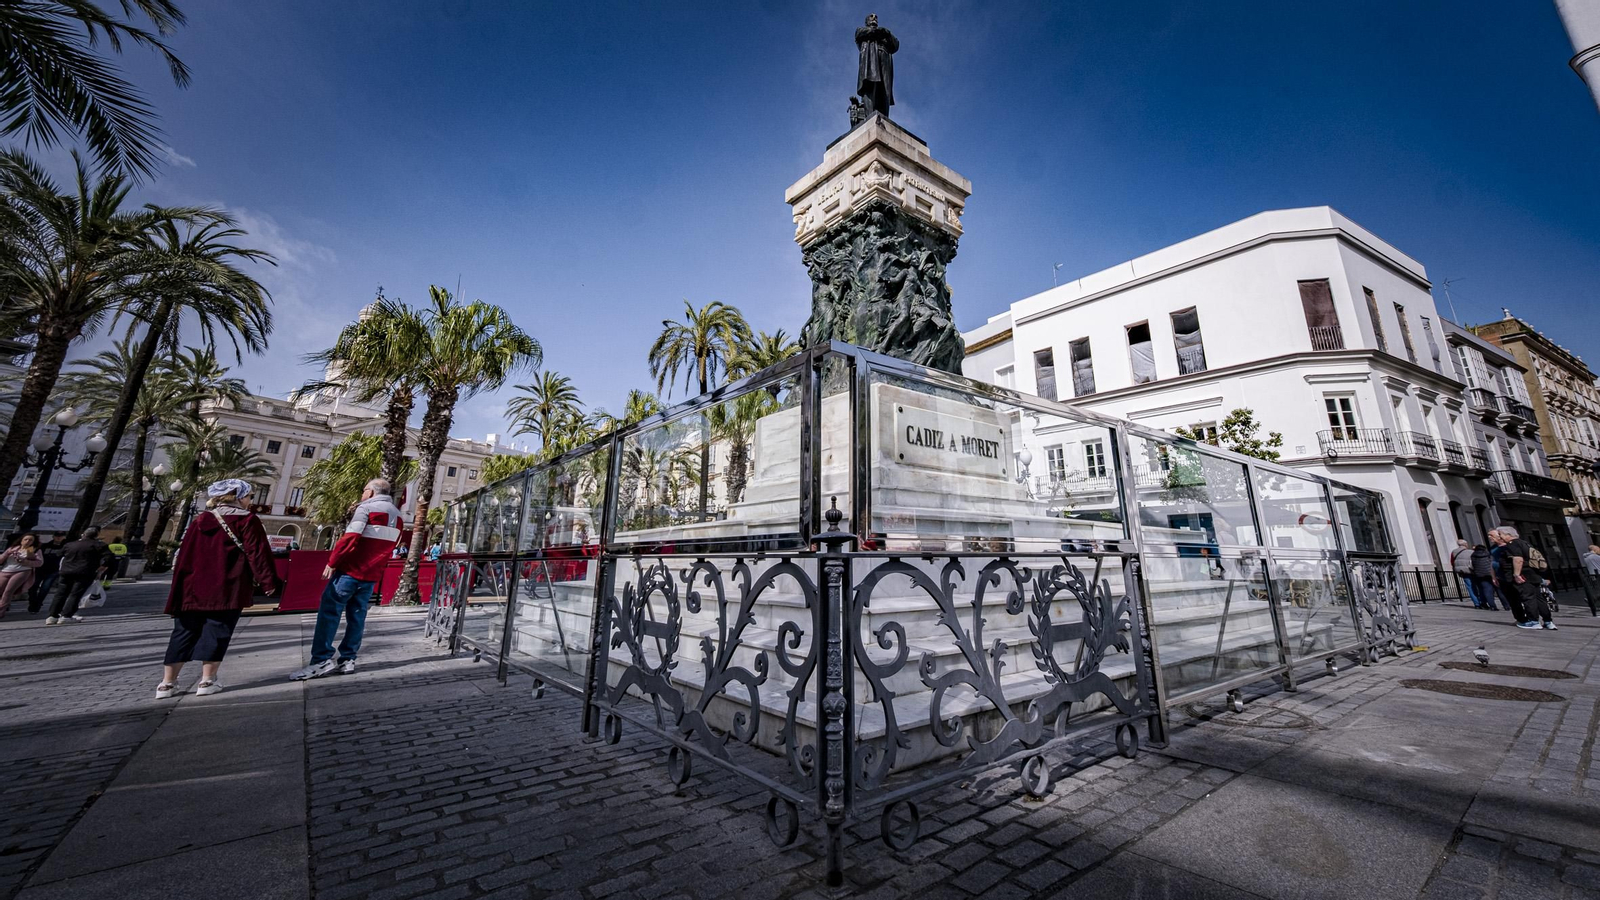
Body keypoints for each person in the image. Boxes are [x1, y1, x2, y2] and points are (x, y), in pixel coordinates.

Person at [158, 480, 282, 698]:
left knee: (183, 631)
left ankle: (167, 684)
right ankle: (207, 681)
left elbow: (185, 554)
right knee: (218, 630)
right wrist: (269, 583)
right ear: (238, 497)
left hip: (192, 587)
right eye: (249, 496)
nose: (250, 501)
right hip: (227, 585)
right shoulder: (247, 520)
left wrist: (179, 586)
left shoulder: (200, 520)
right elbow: (258, 554)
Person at [288, 479, 403, 680]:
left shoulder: (367, 509)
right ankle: (348, 659)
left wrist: (332, 562)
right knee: (357, 617)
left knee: (329, 613)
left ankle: (321, 660)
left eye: (364, 489)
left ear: (371, 492)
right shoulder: (399, 516)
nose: (362, 494)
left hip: (350, 571)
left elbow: (350, 537)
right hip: (371, 575)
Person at [45, 526, 114, 624]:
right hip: (84, 572)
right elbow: (110, 557)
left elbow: (59, 554)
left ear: (83, 534)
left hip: (66, 571)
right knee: (75, 594)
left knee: (60, 594)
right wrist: (103, 566)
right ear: (97, 535)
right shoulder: (99, 545)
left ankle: (52, 616)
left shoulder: (70, 544)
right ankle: (66, 616)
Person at [1499, 526, 1554, 631]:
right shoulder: (1525, 543)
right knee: (1539, 598)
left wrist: (1516, 574)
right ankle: (1548, 621)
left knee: (1528, 598)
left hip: (1524, 575)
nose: (1500, 537)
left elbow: (1518, 559)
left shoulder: (1512, 544)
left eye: (1501, 534)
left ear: (1508, 535)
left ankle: (1533, 621)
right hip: (1533, 574)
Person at [0, 534, 44, 619]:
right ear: (21, 540)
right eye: (26, 539)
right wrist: (7, 554)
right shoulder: (13, 548)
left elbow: (39, 563)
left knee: (8, 591)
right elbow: (1, 559)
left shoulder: (34, 550)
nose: (27, 541)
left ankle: (1, 610)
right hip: (6, 570)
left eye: (30, 540)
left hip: (22, 571)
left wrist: (25, 561)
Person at [27, 532, 66, 614]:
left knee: (45, 588)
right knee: (33, 587)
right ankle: (33, 602)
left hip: (54, 571)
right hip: (40, 569)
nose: (58, 538)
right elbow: (32, 551)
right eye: (57, 536)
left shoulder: (65, 547)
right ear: (53, 536)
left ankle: (37, 605)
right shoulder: (45, 546)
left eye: (61, 536)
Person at [1450, 539, 1482, 608]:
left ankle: (1476, 603)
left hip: (1463, 571)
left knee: (1470, 587)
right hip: (1473, 571)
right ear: (1466, 544)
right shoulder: (1471, 552)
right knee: (1478, 586)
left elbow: (1452, 562)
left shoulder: (1454, 552)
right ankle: (1481, 601)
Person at [1468, 543, 1498, 612]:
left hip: (1479, 574)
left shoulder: (1473, 555)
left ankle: (1491, 605)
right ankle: (1506, 605)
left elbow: (1471, 566)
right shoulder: (1487, 554)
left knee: (1485, 589)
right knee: (1495, 589)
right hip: (1490, 573)